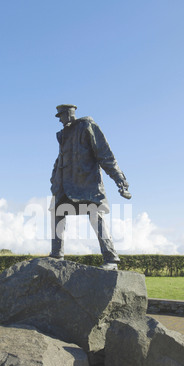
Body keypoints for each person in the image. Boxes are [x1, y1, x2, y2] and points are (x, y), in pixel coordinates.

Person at [49, 104, 130, 270]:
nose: (61, 120)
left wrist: (119, 180)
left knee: (95, 215)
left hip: (87, 183)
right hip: (65, 185)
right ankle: (57, 253)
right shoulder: (64, 134)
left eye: (62, 116)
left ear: (69, 114)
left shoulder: (87, 126)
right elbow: (61, 158)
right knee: (57, 212)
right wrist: (54, 178)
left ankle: (111, 258)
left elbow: (105, 155)